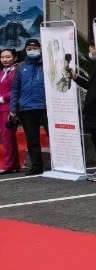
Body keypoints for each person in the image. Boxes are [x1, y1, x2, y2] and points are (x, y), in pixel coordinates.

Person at [9, 39, 48, 175]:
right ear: (25, 50)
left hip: (45, 106)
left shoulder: (47, 64)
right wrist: (13, 108)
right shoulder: (21, 67)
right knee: (32, 139)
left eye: (34, 48)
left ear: (40, 48)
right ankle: (36, 166)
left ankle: (60, 164)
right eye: (29, 49)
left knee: (54, 137)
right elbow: (15, 89)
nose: (32, 50)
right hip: (26, 108)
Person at [72, 43, 96, 181]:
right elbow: (90, 86)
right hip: (92, 111)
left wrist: (94, 99)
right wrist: (76, 77)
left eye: (91, 49)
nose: (90, 52)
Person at [0, 49, 21, 174]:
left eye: (8, 57)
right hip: (1, 108)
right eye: (2, 57)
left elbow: (17, 89)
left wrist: (3, 98)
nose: (4, 59)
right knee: (6, 137)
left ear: (15, 58)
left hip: (10, 107)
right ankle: (15, 164)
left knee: (8, 137)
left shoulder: (17, 71)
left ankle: (8, 165)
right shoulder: (2, 72)